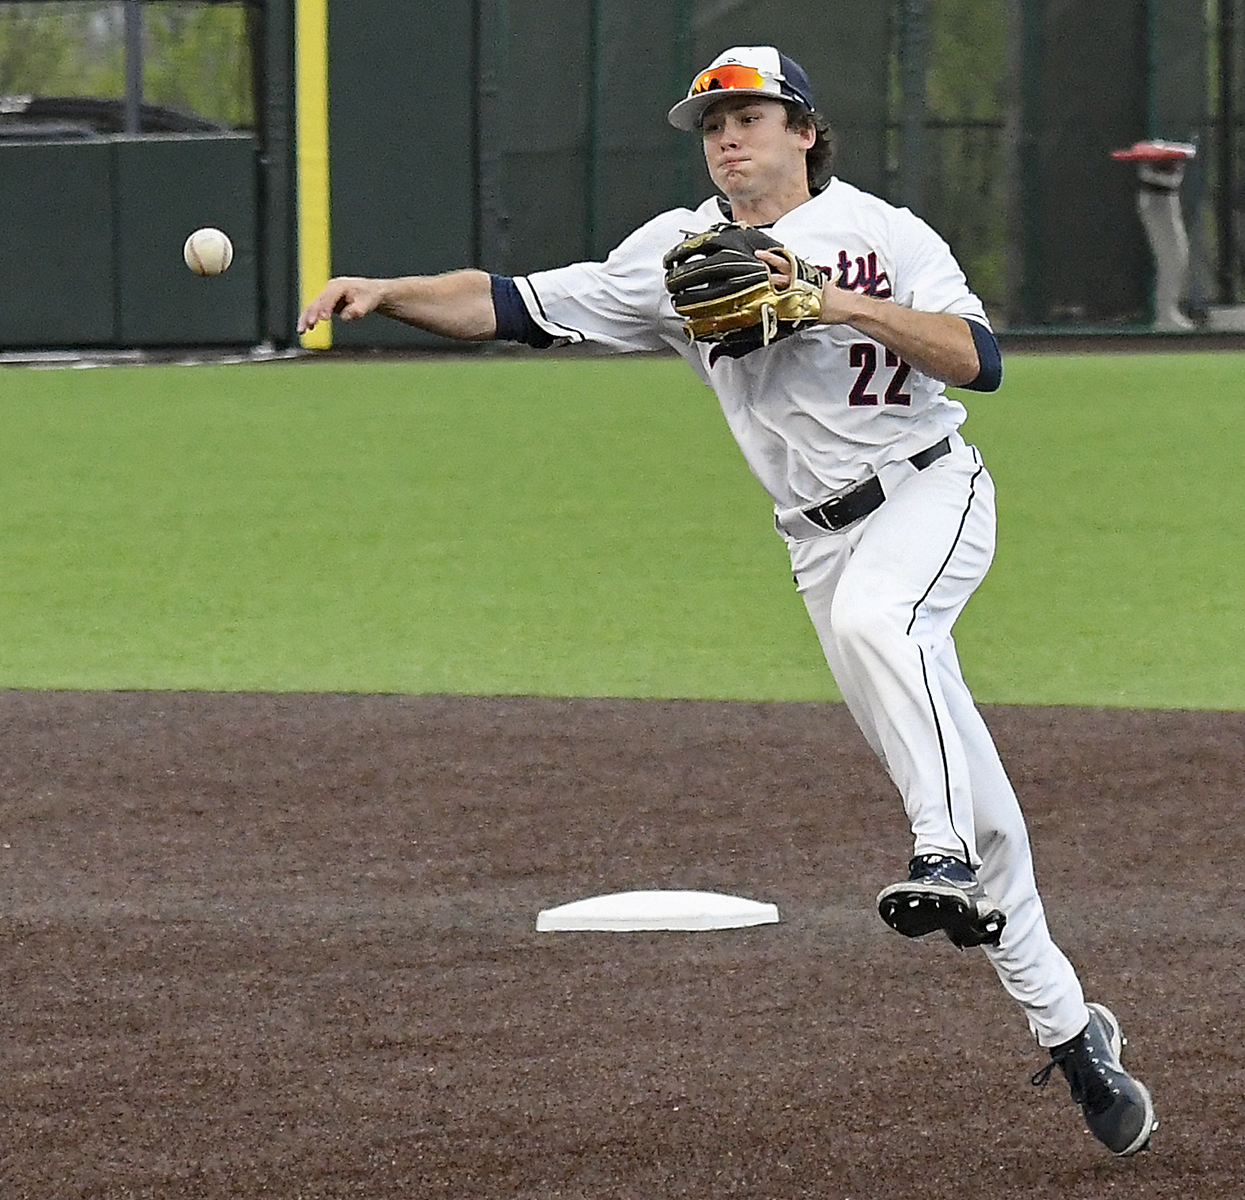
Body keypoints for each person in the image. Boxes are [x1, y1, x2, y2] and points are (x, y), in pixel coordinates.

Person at [298, 45, 1157, 1156]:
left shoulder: (888, 234)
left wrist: (830, 298)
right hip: (816, 548)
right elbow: (512, 301)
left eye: (748, 118)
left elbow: (978, 358)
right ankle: (1075, 1034)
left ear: (804, 129)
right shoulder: (676, 252)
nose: (727, 141)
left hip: (929, 495)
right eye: (711, 127)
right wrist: (389, 293)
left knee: (882, 635)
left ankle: (932, 855)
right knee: (985, 808)